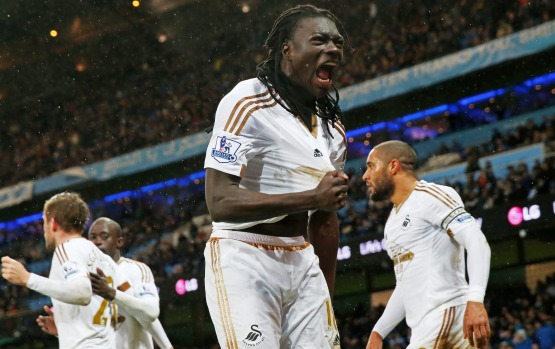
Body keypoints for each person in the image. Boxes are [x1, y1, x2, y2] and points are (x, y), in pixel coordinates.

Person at [203, 4, 349, 348]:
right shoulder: (247, 100)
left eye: (338, 42)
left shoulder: (334, 128)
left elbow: (325, 224)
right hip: (244, 256)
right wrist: (312, 198)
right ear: (287, 49)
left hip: (302, 258)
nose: (332, 49)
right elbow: (220, 202)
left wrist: (325, 298)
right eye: (319, 40)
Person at [362, 141, 491, 349]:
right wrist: (378, 331)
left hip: (447, 315)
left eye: (371, 166)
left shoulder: (430, 196)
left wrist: (475, 299)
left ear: (393, 166)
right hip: (425, 328)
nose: (365, 176)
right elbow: (405, 283)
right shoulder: (392, 222)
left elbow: (476, 240)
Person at [1, 192, 117, 349]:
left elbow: (82, 293)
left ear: (53, 223)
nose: (44, 230)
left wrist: (28, 278)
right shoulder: (102, 258)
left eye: (44, 222)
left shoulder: (67, 248)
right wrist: (64, 329)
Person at [36, 217, 174, 349]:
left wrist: (167, 346)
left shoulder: (135, 270)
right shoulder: (83, 279)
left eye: (104, 236)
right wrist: (62, 330)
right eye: (93, 237)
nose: (97, 242)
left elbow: (149, 313)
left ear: (119, 242)